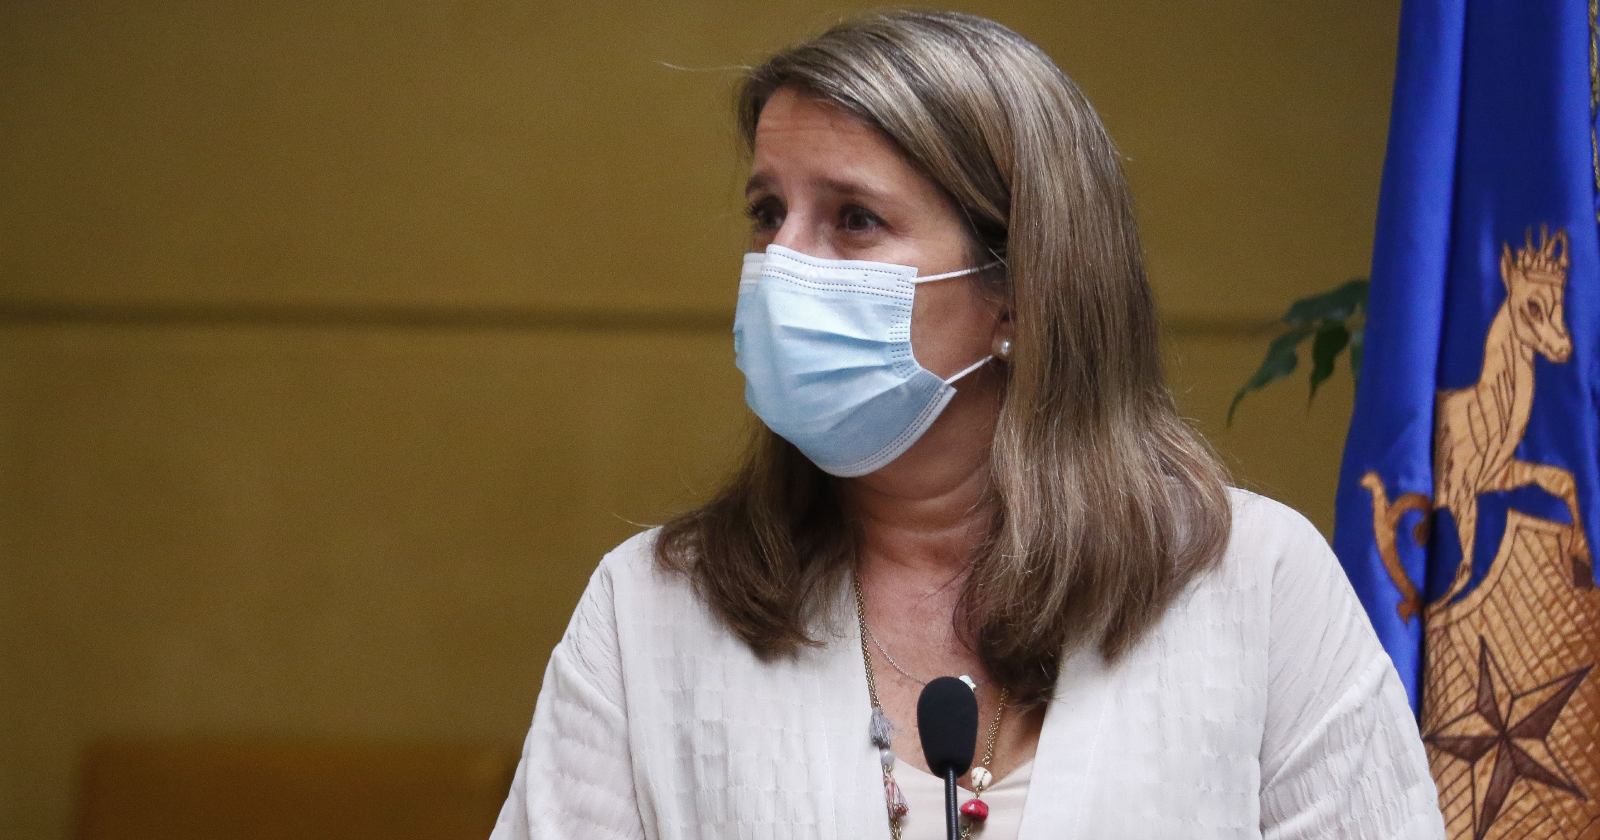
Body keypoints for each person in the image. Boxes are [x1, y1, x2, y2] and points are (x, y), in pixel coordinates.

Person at [490, 10, 1443, 839]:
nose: (782, 264)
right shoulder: (651, 609)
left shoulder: (1253, 584)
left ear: (1018, 293)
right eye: (768, 212)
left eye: (853, 219)